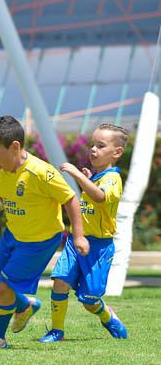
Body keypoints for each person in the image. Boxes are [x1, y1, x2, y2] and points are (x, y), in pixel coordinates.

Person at [0, 115, 89, 349]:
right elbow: (6, 200)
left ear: (15, 146)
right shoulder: (4, 172)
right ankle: (25, 305)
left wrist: (78, 235)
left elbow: (70, 199)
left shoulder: (41, 173)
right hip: (13, 235)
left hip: (38, 241)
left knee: (4, 287)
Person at [41, 123, 129, 342]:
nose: (93, 149)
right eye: (92, 144)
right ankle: (57, 331)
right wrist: (88, 178)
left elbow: (99, 197)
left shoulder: (113, 178)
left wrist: (77, 176)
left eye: (100, 145)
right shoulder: (97, 176)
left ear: (116, 152)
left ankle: (108, 316)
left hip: (98, 247)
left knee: (89, 299)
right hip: (76, 240)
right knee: (60, 281)